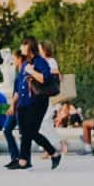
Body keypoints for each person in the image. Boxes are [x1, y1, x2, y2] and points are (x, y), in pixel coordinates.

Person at [9, 38, 60, 170]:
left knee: (31, 132)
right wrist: (14, 103)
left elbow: (45, 78)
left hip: (37, 101)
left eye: (23, 45)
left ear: (29, 46)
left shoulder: (40, 61)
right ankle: (23, 161)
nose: (21, 47)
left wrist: (32, 71)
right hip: (23, 102)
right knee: (25, 132)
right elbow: (20, 85)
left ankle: (53, 153)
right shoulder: (25, 63)